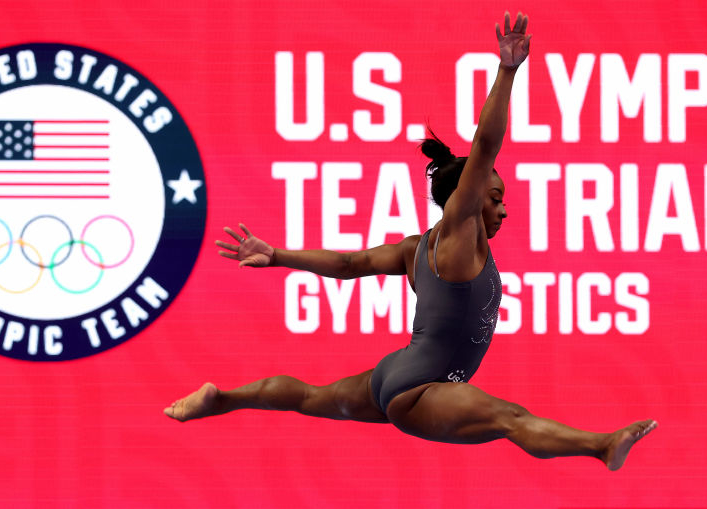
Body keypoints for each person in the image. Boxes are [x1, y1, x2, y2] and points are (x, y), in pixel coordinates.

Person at [164, 11, 656, 471]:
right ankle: (600, 445)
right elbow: (485, 145)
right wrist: (507, 72)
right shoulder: (462, 231)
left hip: (393, 375)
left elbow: (349, 261)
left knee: (310, 398)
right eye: (495, 198)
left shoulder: (415, 247)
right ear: (466, 198)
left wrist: (279, 257)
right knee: (511, 418)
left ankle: (221, 399)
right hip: (423, 389)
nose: (503, 208)